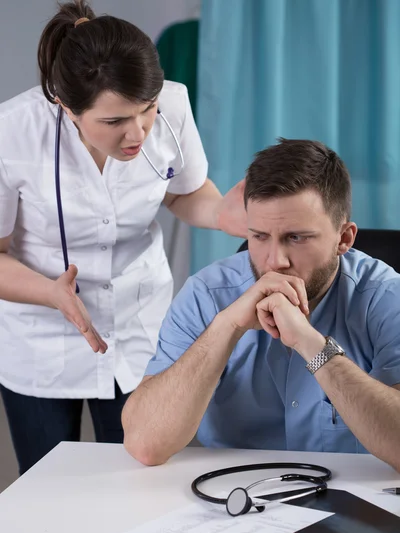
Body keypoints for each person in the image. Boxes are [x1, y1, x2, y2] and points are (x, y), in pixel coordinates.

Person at [0, 0, 247, 475]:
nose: (137, 133)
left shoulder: (172, 103)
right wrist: (50, 293)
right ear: (66, 106)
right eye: (114, 122)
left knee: (143, 481)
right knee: (49, 493)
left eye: (146, 110)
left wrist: (223, 214)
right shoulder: (15, 132)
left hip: (140, 327)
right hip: (39, 342)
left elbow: (185, 194)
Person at [122, 138, 400, 472]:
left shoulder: (386, 298)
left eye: (296, 238)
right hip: (233, 497)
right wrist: (227, 327)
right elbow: (145, 445)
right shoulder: (206, 295)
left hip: (351, 500)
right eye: (259, 236)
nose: (274, 261)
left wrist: (311, 345)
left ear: (344, 238)